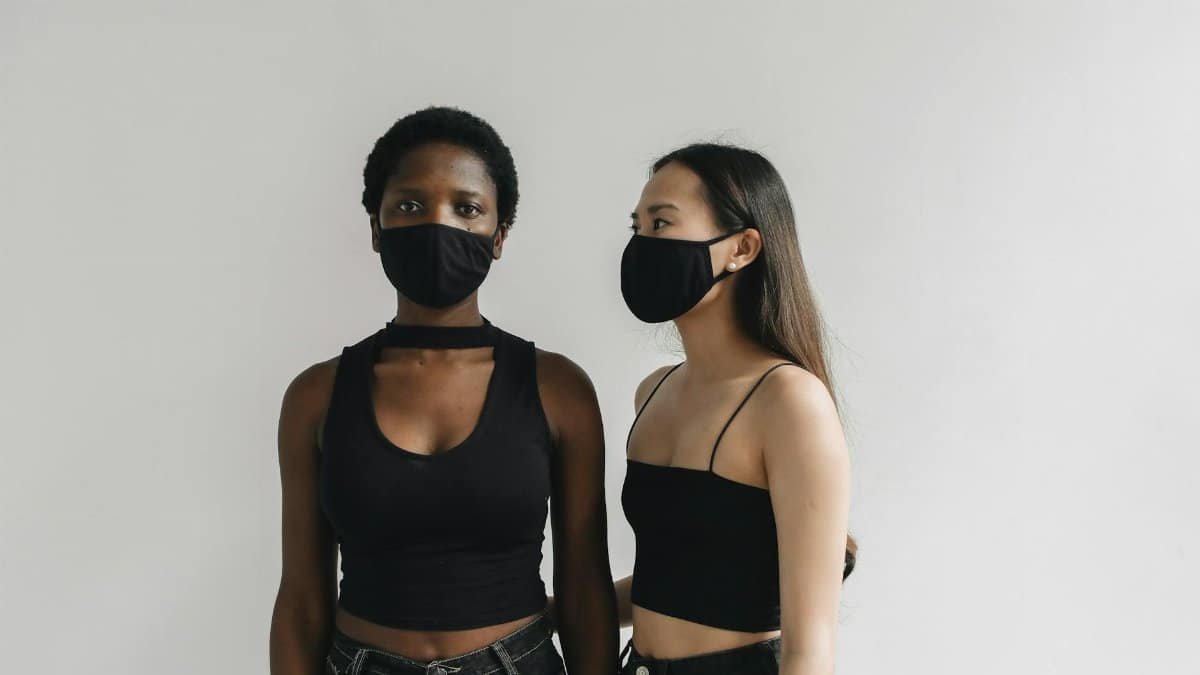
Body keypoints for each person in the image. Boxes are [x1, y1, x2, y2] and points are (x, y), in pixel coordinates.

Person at [269, 106, 618, 675]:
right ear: (376, 228)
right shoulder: (315, 395)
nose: (439, 224)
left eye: (468, 208)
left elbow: (583, 588)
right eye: (410, 205)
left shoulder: (559, 389)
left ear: (499, 234)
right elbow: (302, 600)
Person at [593, 142, 856, 674]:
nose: (643, 243)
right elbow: (674, 583)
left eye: (662, 223)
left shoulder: (789, 401)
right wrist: (545, 616)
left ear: (741, 248)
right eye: (637, 227)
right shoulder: (653, 392)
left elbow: (811, 649)